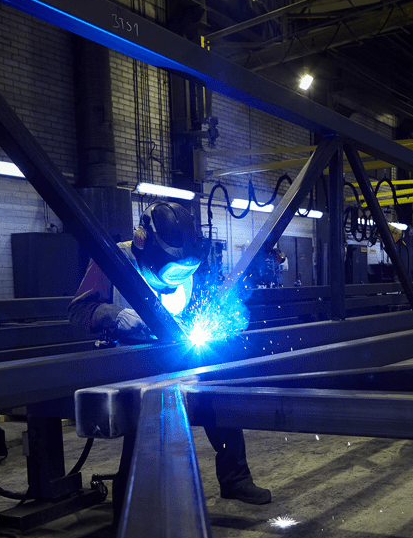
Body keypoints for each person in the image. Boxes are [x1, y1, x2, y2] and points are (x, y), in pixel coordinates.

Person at [68, 202, 272, 515]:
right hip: (132, 360)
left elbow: (201, 305)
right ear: (144, 245)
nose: (178, 279)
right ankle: (130, 509)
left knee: (219, 388)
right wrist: (114, 314)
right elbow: (78, 312)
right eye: (172, 272)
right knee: (144, 415)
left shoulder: (189, 265)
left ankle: (235, 478)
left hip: (176, 352)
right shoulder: (113, 260)